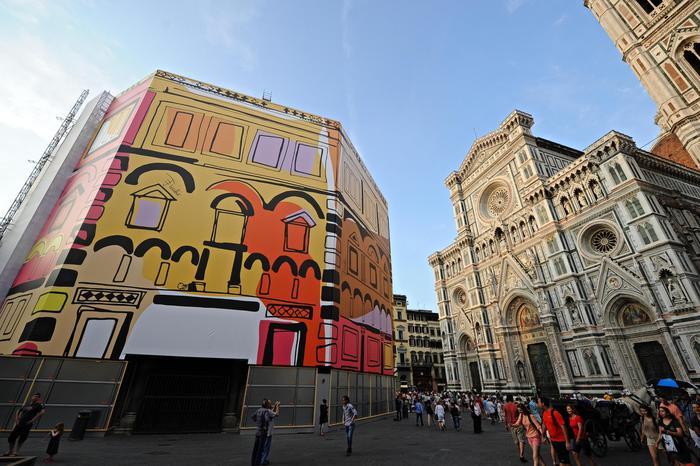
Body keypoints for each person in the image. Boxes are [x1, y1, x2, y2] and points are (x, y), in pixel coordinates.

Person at [4, 392, 45, 457]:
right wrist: (17, 419)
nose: (34, 397)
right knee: (12, 437)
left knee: (22, 438)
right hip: (20, 422)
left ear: (38, 398)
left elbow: (42, 412)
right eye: (34, 396)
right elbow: (19, 410)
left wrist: (32, 420)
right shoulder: (27, 404)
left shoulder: (38, 405)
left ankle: (16, 452)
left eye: (36, 396)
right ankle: (10, 451)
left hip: (27, 424)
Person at [538, 397, 571, 466]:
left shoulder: (555, 413)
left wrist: (567, 442)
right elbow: (544, 425)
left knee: (564, 462)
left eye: (538, 402)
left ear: (543, 403)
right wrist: (542, 436)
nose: (537, 404)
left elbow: (563, 427)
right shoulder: (544, 413)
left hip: (561, 441)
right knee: (564, 461)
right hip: (553, 440)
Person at [250, 399, 279, 466]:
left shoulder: (259, 410)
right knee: (261, 449)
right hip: (263, 432)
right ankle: (259, 463)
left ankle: (253, 463)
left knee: (255, 449)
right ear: (267, 405)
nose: (270, 405)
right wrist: (277, 406)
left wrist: (258, 422)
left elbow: (252, 417)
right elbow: (275, 414)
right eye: (269, 404)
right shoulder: (267, 411)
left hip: (257, 431)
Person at [505, 395, 527, 463]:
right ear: (512, 399)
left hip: (511, 425)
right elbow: (521, 414)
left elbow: (505, 416)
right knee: (521, 440)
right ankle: (521, 455)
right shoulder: (516, 405)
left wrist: (506, 425)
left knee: (516, 441)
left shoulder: (505, 406)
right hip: (518, 424)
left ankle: (520, 453)